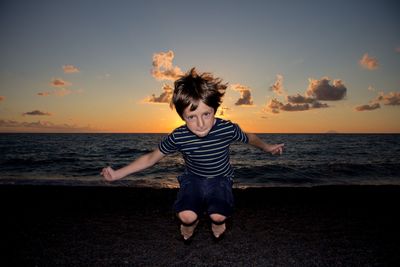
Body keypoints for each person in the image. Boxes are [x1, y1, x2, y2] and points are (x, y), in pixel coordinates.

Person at [101, 68, 284, 243]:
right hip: (193, 179)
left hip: (220, 178)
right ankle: (191, 224)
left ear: (215, 110)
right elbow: (151, 158)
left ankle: (218, 222)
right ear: (182, 116)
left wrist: (267, 147)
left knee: (218, 216)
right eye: (192, 117)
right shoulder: (179, 136)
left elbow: (250, 138)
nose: (201, 123)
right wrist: (117, 174)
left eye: (206, 114)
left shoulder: (227, 128)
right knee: (186, 216)